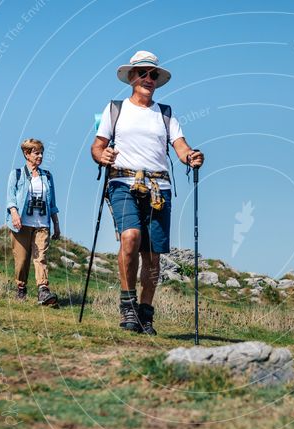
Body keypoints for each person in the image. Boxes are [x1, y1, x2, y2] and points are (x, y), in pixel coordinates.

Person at [91, 50, 204, 335]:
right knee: (130, 238)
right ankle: (127, 307)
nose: (148, 78)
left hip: (159, 187)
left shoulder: (165, 114)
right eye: (142, 73)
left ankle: (146, 313)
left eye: (153, 74)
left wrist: (192, 157)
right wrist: (101, 156)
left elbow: (181, 147)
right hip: (123, 182)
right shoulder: (115, 109)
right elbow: (97, 145)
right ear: (131, 77)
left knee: (152, 256)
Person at [6, 138, 61, 305]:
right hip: (21, 223)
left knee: (40, 258)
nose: (40, 156)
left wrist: (56, 223)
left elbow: (52, 203)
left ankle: (43, 290)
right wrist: (14, 214)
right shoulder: (16, 174)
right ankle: (21, 288)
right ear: (26, 154)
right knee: (22, 260)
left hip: (42, 224)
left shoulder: (47, 176)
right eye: (37, 152)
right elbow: (11, 198)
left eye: (41, 152)